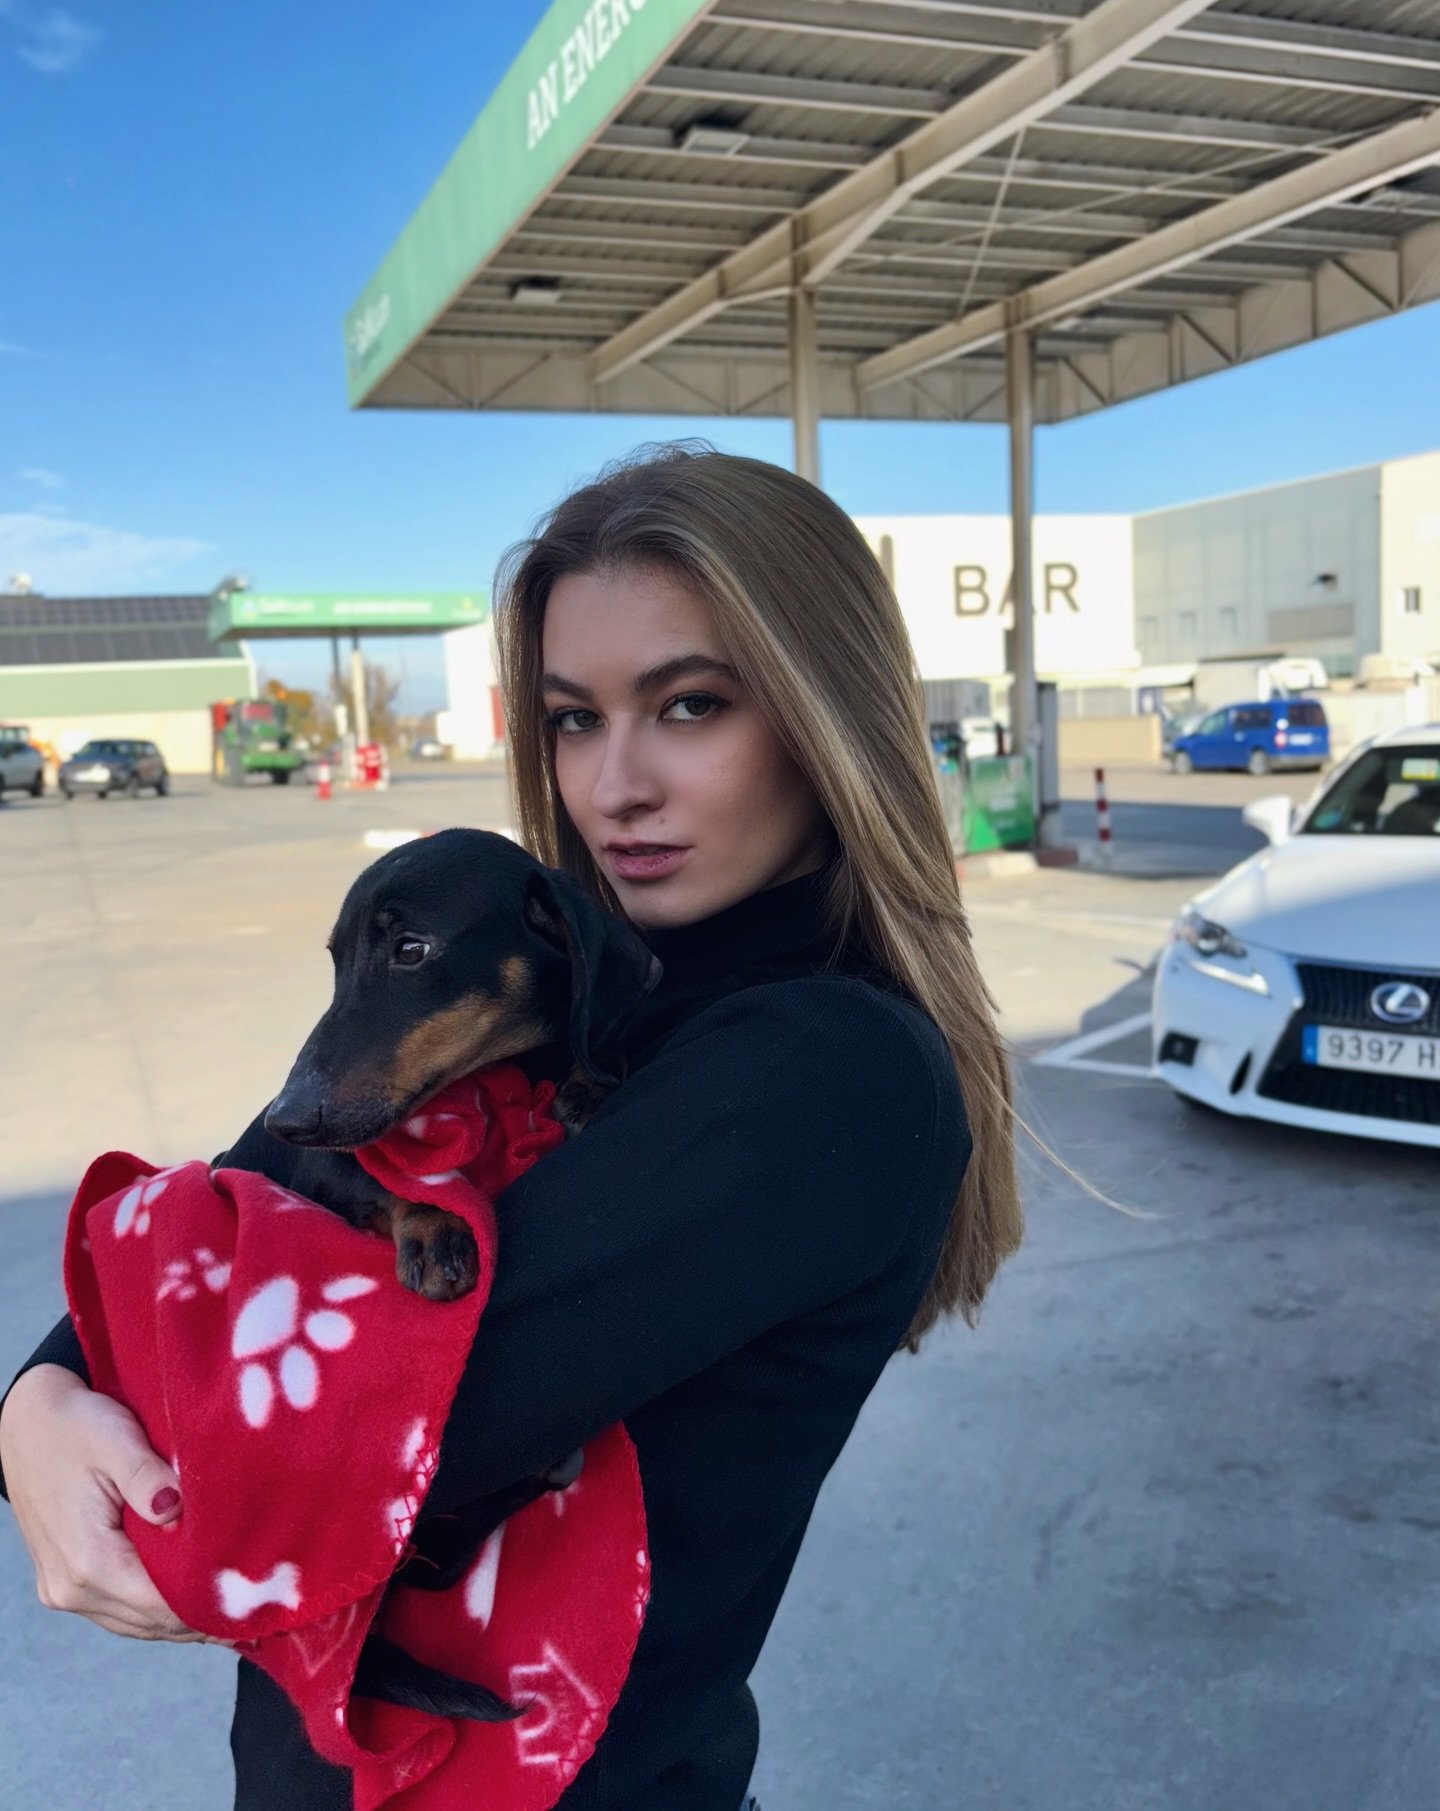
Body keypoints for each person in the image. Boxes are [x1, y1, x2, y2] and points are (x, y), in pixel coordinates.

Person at [0, 443, 1021, 1809]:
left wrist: (92, 1392)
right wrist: (35, 1400)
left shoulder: (824, 1069)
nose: (614, 786)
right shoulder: (550, 988)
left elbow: (304, 1431)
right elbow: (242, 1203)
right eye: (573, 719)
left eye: (692, 705)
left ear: (826, 716)